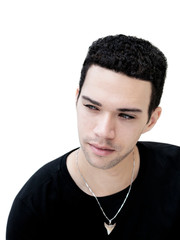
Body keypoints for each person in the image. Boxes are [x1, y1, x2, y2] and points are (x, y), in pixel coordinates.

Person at [6, 34, 180, 240]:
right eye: (91, 107)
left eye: (126, 115)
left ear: (151, 120)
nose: (104, 131)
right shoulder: (35, 207)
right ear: (77, 99)